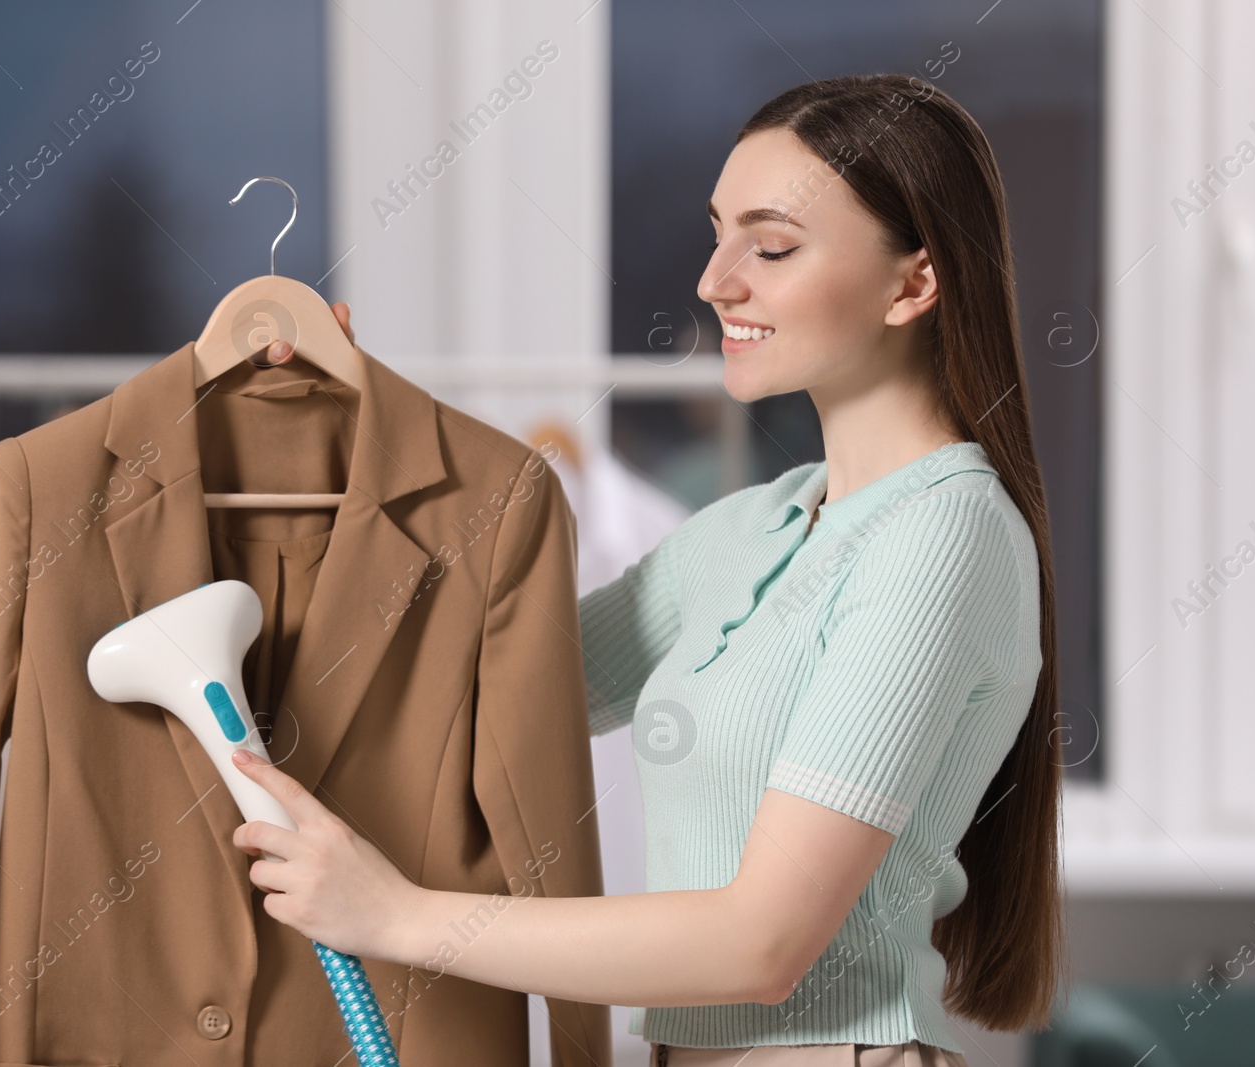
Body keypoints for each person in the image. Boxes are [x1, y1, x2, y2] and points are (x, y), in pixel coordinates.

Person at [226, 72, 1064, 1066]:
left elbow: (762, 944)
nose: (715, 282)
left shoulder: (946, 536)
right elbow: (487, 682)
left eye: (772, 245)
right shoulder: (754, 526)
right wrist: (355, 436)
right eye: (717, 235)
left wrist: (399, 917)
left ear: (913, 283)